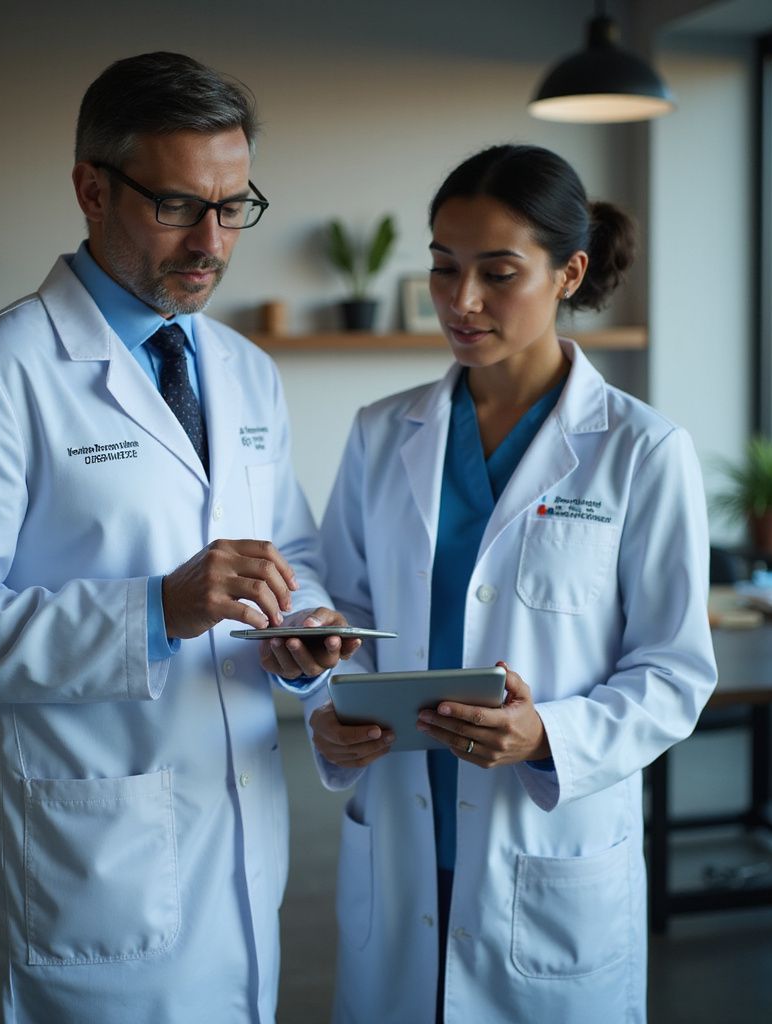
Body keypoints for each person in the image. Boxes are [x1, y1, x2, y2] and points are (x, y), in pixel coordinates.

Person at [0, 51, 356, 1024]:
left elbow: (289, 557)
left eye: (233, 206)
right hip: (81, 871)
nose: (211, 241)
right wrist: (153, 609)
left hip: (237, 849)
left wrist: (302, 630)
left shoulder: (245, 370)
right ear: (91, 189)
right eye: (178, 205)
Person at [308, 143, 718, 1023]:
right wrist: (329, 713)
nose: (462, 301)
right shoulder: (382, 434)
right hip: (405, 830)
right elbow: (344, 616)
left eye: (498, 273)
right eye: (444, 268)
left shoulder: (642, 451)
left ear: (570, 272)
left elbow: (675, 673)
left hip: (547, 844)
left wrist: (547, 736)